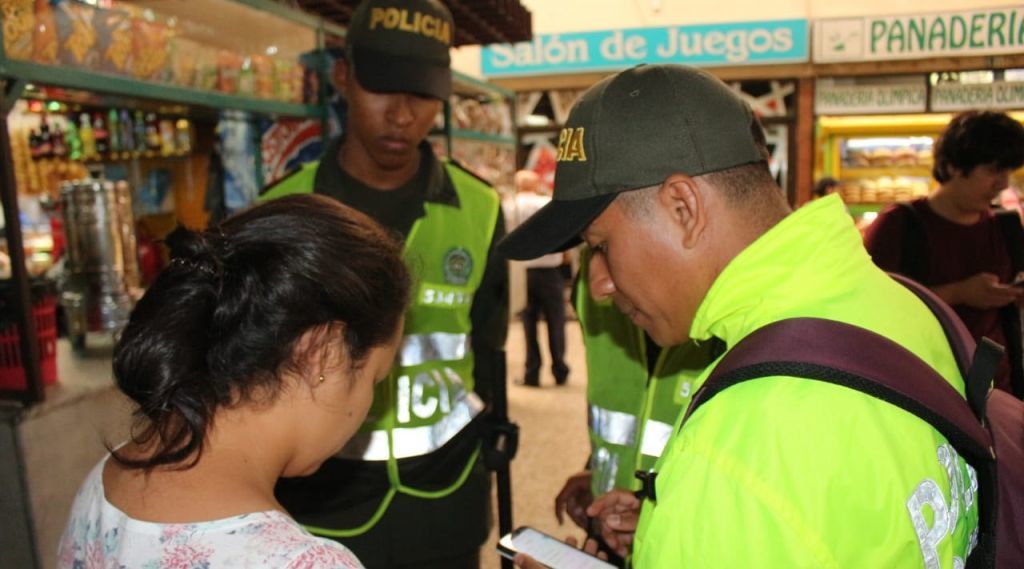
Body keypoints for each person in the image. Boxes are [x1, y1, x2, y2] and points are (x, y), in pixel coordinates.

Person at [500, 63, 979, 567]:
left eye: (601, 246)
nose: (597, 285)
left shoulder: (735, 449)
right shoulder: (904, 307)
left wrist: (704, 516)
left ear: (683, 207)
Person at [262, 1, 509, 567]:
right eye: (383, 88)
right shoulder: (283, 211)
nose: (402, 114)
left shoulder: (480, 209)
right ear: (343, 77)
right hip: (323, 505)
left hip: (446, 494)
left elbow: (488, 349)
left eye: (422, 94)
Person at [57, 194, 410, 568]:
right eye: (376, 377)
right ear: (324, 353)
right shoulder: (302, 563)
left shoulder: (109, 478)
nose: (368, 405)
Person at [554, 247, 716, 564]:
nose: (598, 282)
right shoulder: (589, 284)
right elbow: (630, 409)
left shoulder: (748, 319)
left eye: (606, 244)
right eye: (589, 246)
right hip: (608, 535)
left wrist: (656, 516)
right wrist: (599, 474)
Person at [864, 110, 1024, 397]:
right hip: (921, 390)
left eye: (1007, 172)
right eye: (992, 171)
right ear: (952, 167)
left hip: (999, 392)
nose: (1002, 184)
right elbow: (869, 304)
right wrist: (959, 293)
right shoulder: (900, 225)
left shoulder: (1007, 227)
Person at [511, 169, 570, 386]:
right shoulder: (548, 204)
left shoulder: (510, 205)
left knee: (529, 324)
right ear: (535, 184)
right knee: (556, 322)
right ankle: (560, 370)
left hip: (522, 274)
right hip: (550, 272)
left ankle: (532, 373)